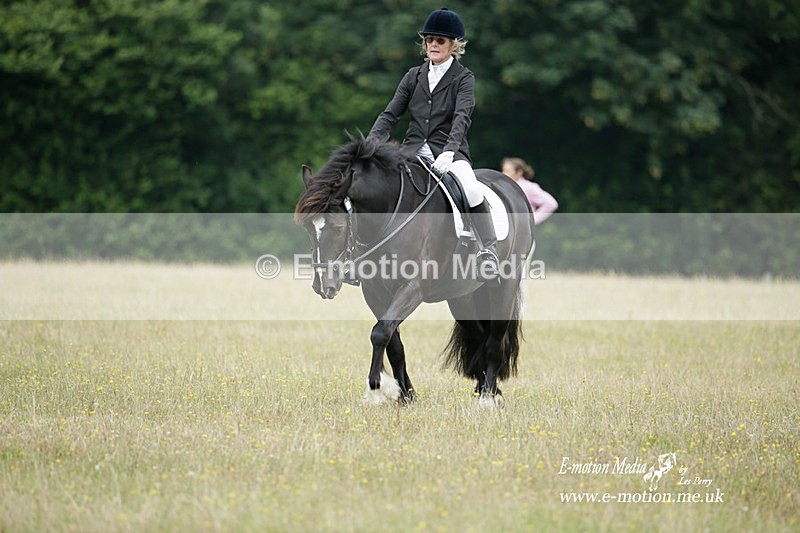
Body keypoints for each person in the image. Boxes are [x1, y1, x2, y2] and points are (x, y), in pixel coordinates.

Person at [367, 8, 499, 280]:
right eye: (429, 40)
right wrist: (369, 146)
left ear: (453, 45)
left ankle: (488, 249)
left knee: (471, 189)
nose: (433, 45)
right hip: (411, 151)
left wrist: (450, 151)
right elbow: (390, 115)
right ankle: (363, 254)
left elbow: (462, 118)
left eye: (440, 40)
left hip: (448, 152)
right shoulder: (413, 76)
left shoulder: (463, 78)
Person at [502, 157, 558, 224]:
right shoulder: (503, 187)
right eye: (503, 170)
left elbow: (551, 203)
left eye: (507, 171)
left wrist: (534, 219)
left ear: (519, 172)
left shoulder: (529, 187)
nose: (503, 174)